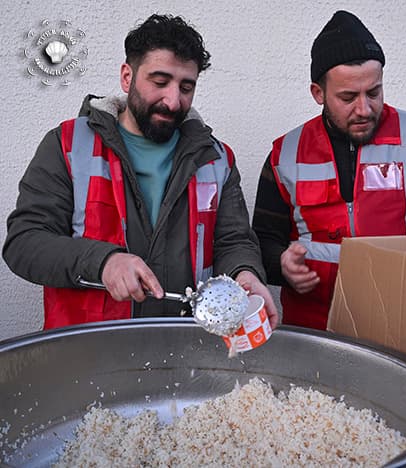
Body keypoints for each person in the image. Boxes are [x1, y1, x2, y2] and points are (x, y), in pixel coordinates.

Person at [3, 13, 278, 331]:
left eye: (186, 87)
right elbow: (24, 244)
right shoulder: (66, 144)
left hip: (188, 350)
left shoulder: (216, 158)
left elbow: (233, 242)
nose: (173, 101)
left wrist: (245, 275)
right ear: (126, 77)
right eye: (159, 82)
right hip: (86, 355)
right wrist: (103, 262)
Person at [252, 10, 406, 330]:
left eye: (374, 92)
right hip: (315, 330)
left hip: (401, 326)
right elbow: (262, 240)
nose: (364, 109)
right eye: (348, 97)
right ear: (318, 93)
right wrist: (281, 265)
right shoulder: (285, 153)